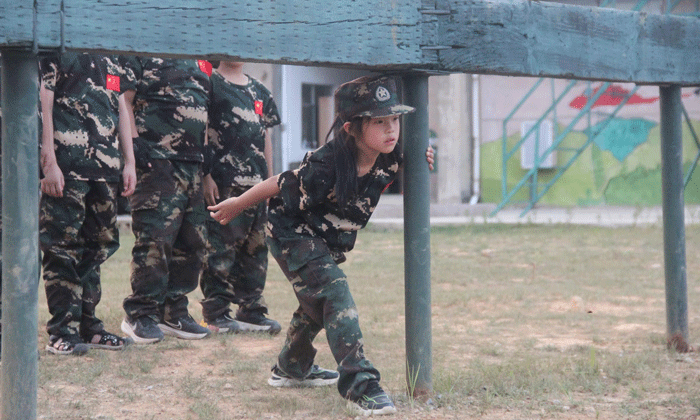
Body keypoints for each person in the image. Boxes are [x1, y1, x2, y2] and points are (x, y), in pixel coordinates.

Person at [209, 75, 434, 416]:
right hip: (290, 233)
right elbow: (278, 182)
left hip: (325, 241)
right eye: (379, 122)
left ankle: (290, 367)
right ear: (350, 128)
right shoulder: (326, 165)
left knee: (315, 304)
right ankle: (362, 385)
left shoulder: (390, 155)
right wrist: (238, 202)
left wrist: (424, 156)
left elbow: (412, 158)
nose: (391, 130)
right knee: (334, 294)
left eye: (395, 120)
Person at [39, 52, 136, 355]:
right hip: (68, 169)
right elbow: (44, 102)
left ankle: (89, 326)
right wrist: (49, 162)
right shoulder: (58, 50)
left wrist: (129, 162)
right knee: (61, 249)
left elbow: (121, 109)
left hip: (105, 171)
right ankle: (61, 332)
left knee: (97, 249)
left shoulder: (113, 58)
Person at [120, 57, 212, 343]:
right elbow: (124, 100)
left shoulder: (202, 63)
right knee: (155, 240)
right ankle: (141, 313)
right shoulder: (143, 55)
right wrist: (134, 145)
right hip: (157, 163)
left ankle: (174, 312)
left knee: (193, 242)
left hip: (193, 164)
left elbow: (202, 112)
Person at [200, 61, 281, 334]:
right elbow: (202, 129)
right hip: (224, 185)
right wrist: (206, 175)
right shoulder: (210, 82)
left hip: (256, 188)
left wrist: (270, 183)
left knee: (256, 251)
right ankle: (217, 313)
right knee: (220, 250)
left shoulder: (260, 91)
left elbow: (265, 136)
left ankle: (251, 310)